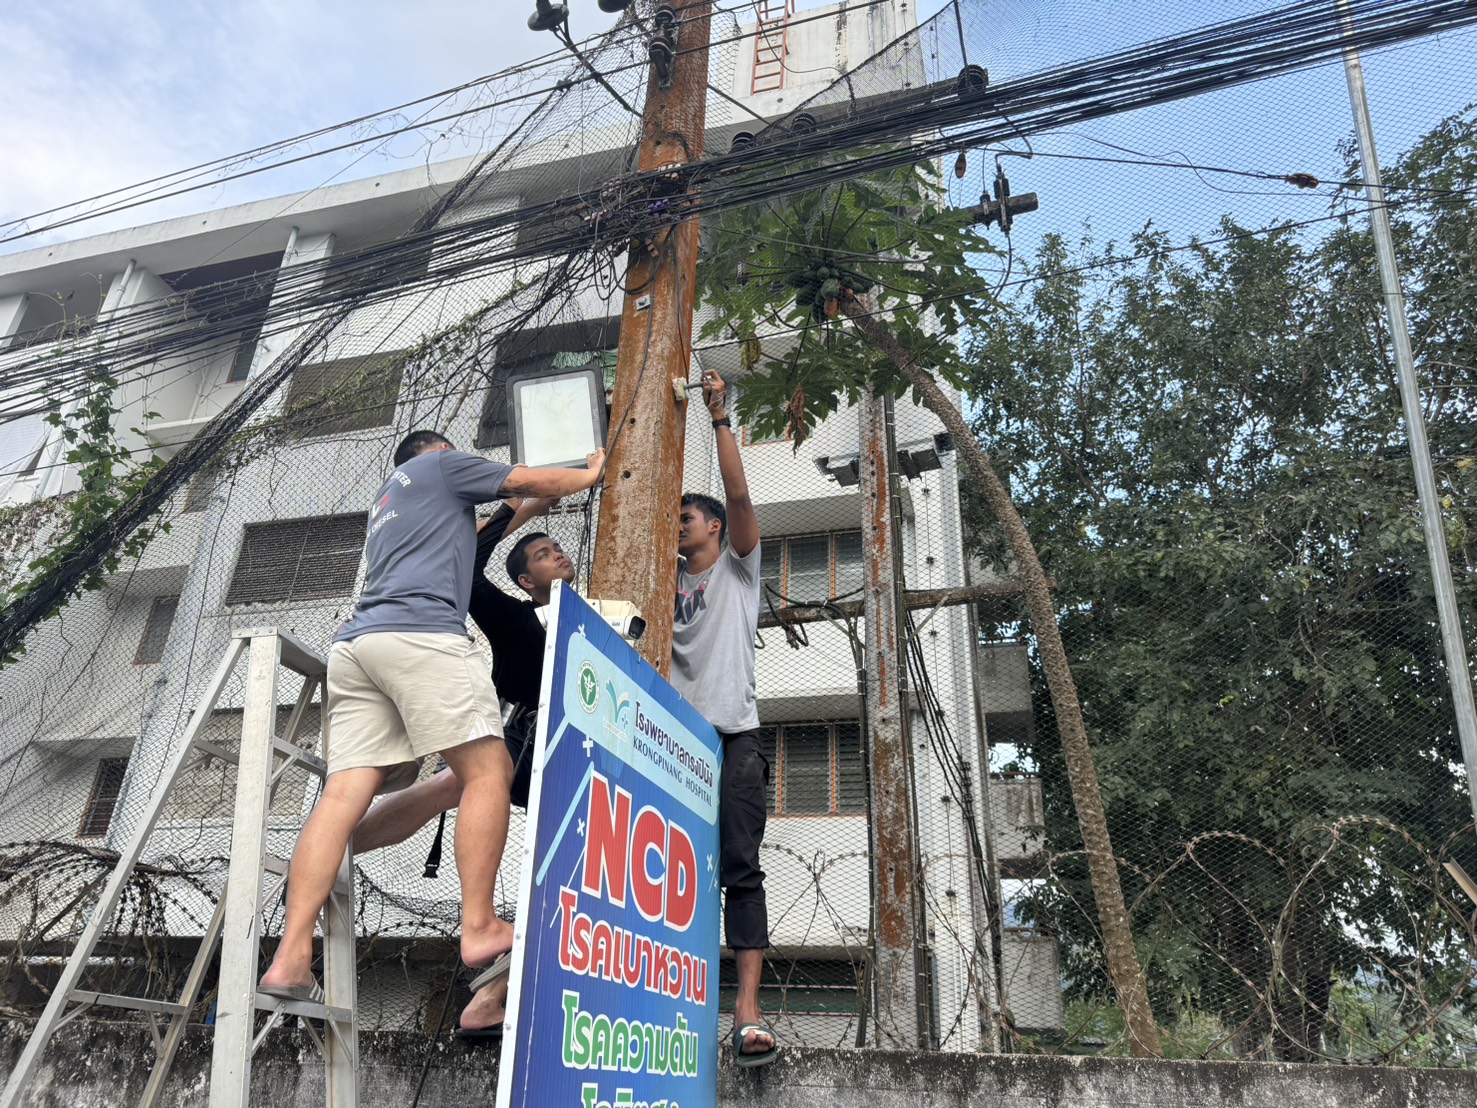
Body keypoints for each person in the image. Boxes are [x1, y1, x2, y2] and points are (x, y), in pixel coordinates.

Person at [258, 430, 604, 1003]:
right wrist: (587, 473)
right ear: (439, 452)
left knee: (342, 794)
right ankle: (479, 925)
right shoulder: (439, 468)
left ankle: (290, 958)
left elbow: (474, 536)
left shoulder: (390, 503)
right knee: (488, 771)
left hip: (359, 645)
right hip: (421, 634)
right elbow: (524, 477)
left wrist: (521, 511)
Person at [349, 505, 577, 1041]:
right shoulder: (517, 617)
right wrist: (517, 508)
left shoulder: (596, 618)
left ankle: (487, 1002)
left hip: (576, 751)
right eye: (543, 555)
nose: (558, 555)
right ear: (526, 581)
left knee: (567, 877)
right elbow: (468, 568)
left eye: (557, 549)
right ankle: (341, 844)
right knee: (456, 782)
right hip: (523, 737)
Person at [670, 370, 777, 1067]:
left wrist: (717, 417)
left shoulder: (738, 570)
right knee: (668, 869)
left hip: (734, 736)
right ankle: (668, 1000)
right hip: (672, 741)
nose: (679, 522)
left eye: (689, 515)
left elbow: (738, 496)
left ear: (713, 528)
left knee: (740, 867)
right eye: (674, 516)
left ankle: (746, 1009)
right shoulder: (659, 579)